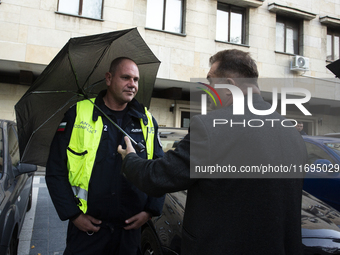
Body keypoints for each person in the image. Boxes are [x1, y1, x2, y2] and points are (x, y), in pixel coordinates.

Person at [118, 49, 308, 255]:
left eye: (210, 82)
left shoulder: (212, 128)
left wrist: (129, 158)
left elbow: (157, 177)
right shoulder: (292, 133)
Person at [45, 57, 164, 255]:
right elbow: (55, 169)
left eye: (136, 80)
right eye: (126, 77)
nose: (132, 84)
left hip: (129, 233)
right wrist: (73, 215)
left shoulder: (147, 120)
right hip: (87, 231)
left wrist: (150, 211)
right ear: (108, 78)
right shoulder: (77, 114)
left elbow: (159, 170)